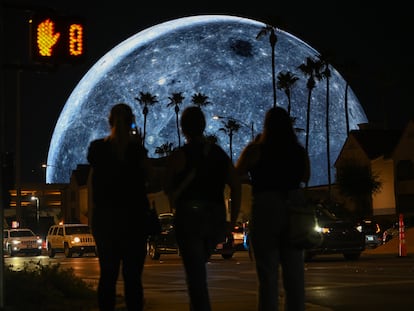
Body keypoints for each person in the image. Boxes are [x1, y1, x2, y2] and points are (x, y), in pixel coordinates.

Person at [164, 106, 242, 311]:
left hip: (189, 218)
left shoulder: (179, 156)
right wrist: (231, 221)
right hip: (214, 219)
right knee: (198, 269)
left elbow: (167, 185)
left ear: (183, 129)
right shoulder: (218, 154)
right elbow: (236, 185)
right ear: (204, 126)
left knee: (196, 278)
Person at [235, 106, 310, 311]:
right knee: (295, 278)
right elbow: (306, 176)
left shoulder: (257, 150)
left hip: (266, 208)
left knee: (267, 278)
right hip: (293, 208)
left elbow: (238, 171)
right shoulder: (297, 151)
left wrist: (255, 145)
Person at [87, 103, 151, 311]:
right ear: (132, 120)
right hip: (134, 220)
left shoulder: (97, 149)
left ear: (110, 121)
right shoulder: (137, 151)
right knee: (133, 278)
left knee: (108, 276)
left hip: (106, 221)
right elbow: (148, 178)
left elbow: (93, 182)